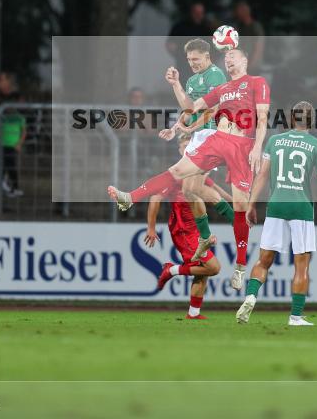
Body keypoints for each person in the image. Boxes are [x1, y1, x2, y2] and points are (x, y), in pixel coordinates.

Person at [108, 47, 270, 291]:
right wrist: (176, 126)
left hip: (242, 146)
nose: (228, 59)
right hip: (217, 140)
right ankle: (129, 198)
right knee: (178, 174)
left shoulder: (257, 82)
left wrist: (257, 147)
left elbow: (263, 117)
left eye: (233, 56)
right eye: (226, 57)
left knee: (239, 205)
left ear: (245, 61)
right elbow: (193, 108)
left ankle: (239, 267)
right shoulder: (222, 89)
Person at [236, 101, 317, 326]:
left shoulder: (275, 141)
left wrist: (251, 204)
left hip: (276, 205)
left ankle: (251, 296)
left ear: (292, 118)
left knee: (263, 260)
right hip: (301, 207)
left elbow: (262, 175)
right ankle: (295, 316)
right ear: (312, 121)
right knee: (301, 265)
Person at [144, 132, 226, 319]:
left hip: (196, 228)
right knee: (213, 267)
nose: (189, 149)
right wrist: (151, 228)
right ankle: (171, 270)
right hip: (183, 228)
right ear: (180, 149)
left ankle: (193, 313)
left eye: (191, 145)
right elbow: (155, 198)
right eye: (184, 146)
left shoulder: (198, 171)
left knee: (202, 270)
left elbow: (217, 191)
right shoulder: (175, 173)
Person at [164, 38, 235, 240]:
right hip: (198, 135)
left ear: (207, 56)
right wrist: (176, 85)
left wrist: (191, 126)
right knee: (189, 190)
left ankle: (234, 220)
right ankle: (207, 235)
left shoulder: (215, 74)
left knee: (188, 183)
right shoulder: (192, 81)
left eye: (195, 59)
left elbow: (215, 108)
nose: (192, 63)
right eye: (189, 59)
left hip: (212, 133)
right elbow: (189, 109)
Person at [165, 2, 212, 70]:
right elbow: (170, 44)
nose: (198, 15)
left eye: (201, 13)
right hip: (183, 65)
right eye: (196, 13)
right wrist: (178, 55)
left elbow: (214, 47)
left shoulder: (207, 29)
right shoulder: (180, 27)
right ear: (191, 13)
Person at [233, 1, 266, 73]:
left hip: (253, 66)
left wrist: (251, 64)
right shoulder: (240, 27)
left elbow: (259, 48)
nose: (237, 14)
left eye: (239, 11)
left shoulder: (255, 27)